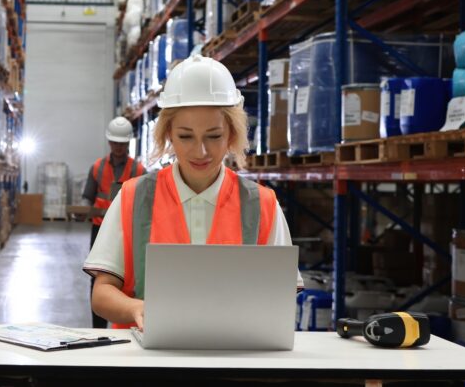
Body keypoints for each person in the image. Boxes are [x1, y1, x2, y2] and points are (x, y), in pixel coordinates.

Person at [83, 55, 303, 329]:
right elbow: (101, 294)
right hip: (145, 363)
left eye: (214, 136)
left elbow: (282, 294)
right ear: (168, 135)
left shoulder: (262, 204)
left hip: (232, 359)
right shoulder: (133, 197)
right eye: (186, 136)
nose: (200, 151)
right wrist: (137, 309)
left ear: (232, 134)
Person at [82, 115, 146, 328]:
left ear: (128, 143)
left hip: (128, 231)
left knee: (126, 278)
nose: (118, 147)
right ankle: (98, 329)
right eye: (115, 143)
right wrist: (84, 210)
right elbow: (87, 197)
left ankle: (128, 322)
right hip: (99, 228)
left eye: (122, 143)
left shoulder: (139, 171)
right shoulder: (97, 168)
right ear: (109, 142)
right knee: (99, 279)